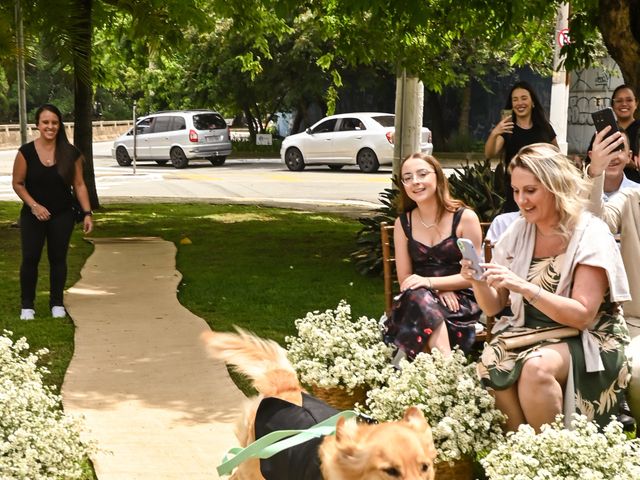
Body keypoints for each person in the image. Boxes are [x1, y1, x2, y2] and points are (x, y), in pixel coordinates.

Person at [462, 143, 631, 432]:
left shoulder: (590, 232)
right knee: (492, 364)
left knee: (536, 370)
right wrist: (477, 281)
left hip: (589, 337)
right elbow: (492, 306)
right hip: (531, 334)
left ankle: (554, 454)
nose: (521, 201)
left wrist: (525, 287)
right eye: (516, 191)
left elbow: (582, 316)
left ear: (555, 187)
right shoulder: (519, 230)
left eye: (530, 190)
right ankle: (520, 457)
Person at [383, 152, 483, 359]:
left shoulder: (465, 219)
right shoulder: (403, 224)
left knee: (418, 302)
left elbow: (474, 276)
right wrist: (433, 289)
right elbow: (405, 279)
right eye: (408, 178)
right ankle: (445, 367)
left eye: (421, 174)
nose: (415, 182)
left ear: (437, 176)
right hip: (419, 295)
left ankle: (430, 371)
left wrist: (434, 284)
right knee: (418, 298)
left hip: (460, 299)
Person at [12, 104, 94, 320]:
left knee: (58, 258)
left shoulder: (71, 153)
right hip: (33, 215)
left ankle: (56, 303)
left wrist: (87, 213)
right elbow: (18, 183)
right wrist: (34, 206)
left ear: (59, 125)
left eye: (54, 123)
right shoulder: (26, 153)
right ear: (38, 125)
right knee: (30, 258)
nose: (50, 126)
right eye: (46, 122)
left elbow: (79, 185)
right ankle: (27, 306)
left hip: (63, 214)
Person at [588, 125, 640, 338]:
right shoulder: (630, 197)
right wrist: (596, 172)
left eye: (618, 149)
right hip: (628, 321)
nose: (613, 156)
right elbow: (597, 222)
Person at [484, 81, 558, 213]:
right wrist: (495, 132)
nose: (520, 103)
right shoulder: (508, 129)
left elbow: (557, 155)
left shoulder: (544, 128)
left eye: (524, 98)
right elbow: (489, 153)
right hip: (517, 193)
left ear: (532, 102)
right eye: (515, 100)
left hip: (543, 188)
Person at [585, 85, 640, 182]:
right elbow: (590, 163)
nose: (624, 104)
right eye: (619, 101)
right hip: (604, 188)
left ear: (636, 104)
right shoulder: (603, 131)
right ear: (612, 106)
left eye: (629, 100)